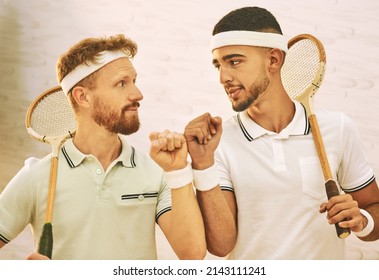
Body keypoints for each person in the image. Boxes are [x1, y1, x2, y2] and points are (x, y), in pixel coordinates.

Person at [184, 6, 379, 259]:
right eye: (217, 65)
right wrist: (202, 164)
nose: (223, 77)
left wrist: (363, 221)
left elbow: (374, 208)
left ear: (274, 60)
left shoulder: (338, 128)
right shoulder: (218, 143)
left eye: (234, 61)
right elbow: (221, 245)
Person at [0, 34, 206, 260]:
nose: (137, 94)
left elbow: (192, 255)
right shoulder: (37, 176)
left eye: (134, 81)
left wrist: (176, 171)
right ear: (83, 97)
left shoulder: (156, 172)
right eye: (121, 83)